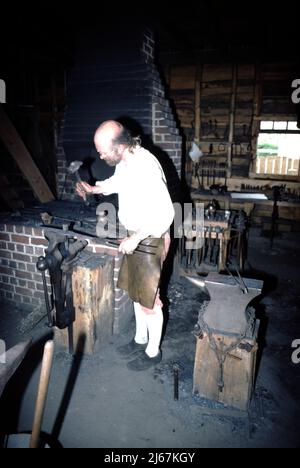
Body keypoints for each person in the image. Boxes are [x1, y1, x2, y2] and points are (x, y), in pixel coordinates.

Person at [76, 120, 174, 371]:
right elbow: (117, 182)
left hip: (149, 238)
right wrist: (94, 188)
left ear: (120, 146)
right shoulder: (126, 161)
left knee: (150, 301)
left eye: (103, 150)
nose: (100, 155)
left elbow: (165, 213)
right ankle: (140, 339)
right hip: (137, 235)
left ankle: (153, 352)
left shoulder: (145, 166)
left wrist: (137, 238)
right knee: (135, 293)